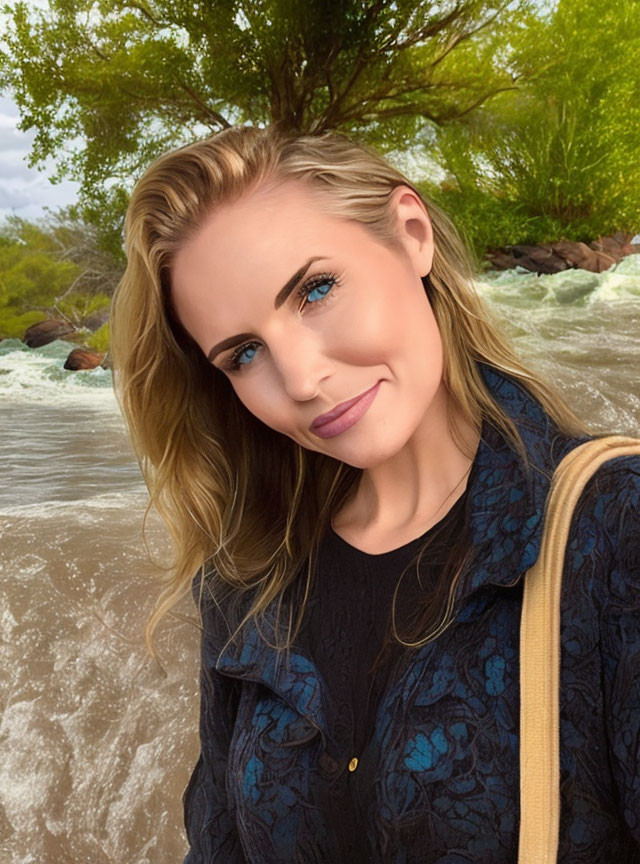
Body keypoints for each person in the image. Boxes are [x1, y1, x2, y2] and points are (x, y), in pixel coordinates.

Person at [109, 124, 640, 863]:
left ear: (411, 234)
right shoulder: (246, 580)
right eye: (245, 353)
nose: (299, 380)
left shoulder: (614, 529)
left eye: (315, 290)